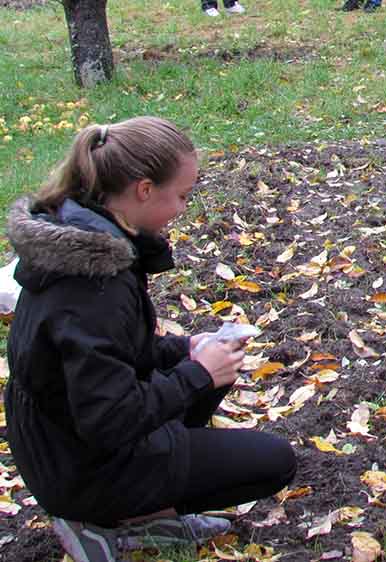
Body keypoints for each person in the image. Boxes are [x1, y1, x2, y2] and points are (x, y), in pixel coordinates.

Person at [4, 117, 297, 562]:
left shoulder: (85, 241)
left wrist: (187, 350)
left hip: (58, 446)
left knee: (212, 372)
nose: (182, 209)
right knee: (274, 462)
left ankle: (142, 512)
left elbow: (112, 356)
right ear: (143, 190)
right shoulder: (92, 285)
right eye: (180, 196)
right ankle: (102, 523)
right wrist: (196, 374)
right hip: (79, 469)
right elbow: (108, 418)